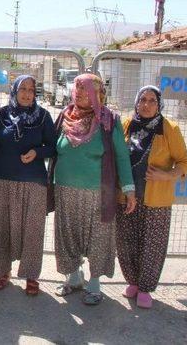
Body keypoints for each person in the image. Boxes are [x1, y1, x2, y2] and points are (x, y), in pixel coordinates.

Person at [49, 73, 137, 306]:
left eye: (86, 90)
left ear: (98, 94)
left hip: (98, 192)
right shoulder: (65, 116)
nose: (79, 93)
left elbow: (121, 156)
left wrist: (129, 189)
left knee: (98, 237)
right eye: (77, 89)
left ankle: (94, 283)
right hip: (65, 189)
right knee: (67, 234)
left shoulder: (109, 120)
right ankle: (74, 277)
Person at [117, 85, 187, 309]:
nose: (147, 105)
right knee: (126, 241)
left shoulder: (169, 128)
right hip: (127, 197)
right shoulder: (127, 125)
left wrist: (165, 175)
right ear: (137, 102)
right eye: (143, 100)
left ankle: (146, 288)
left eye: (152, 101)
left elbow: (183, 162)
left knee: (152, 245)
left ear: (159, 104)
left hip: (156, 200)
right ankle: (133, 282)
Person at [0, 75, 57, 295]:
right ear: (14, 91)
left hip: (33, 183)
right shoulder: (2, 115)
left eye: (31, 90)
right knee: (1, 227)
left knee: (32, 230)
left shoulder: (43, 117)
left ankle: (31, 275)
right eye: (22, 89)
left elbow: (53, 147)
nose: (26, 93)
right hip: (3, 181)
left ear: (36, 93)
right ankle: (2, 272)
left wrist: (37, 152)